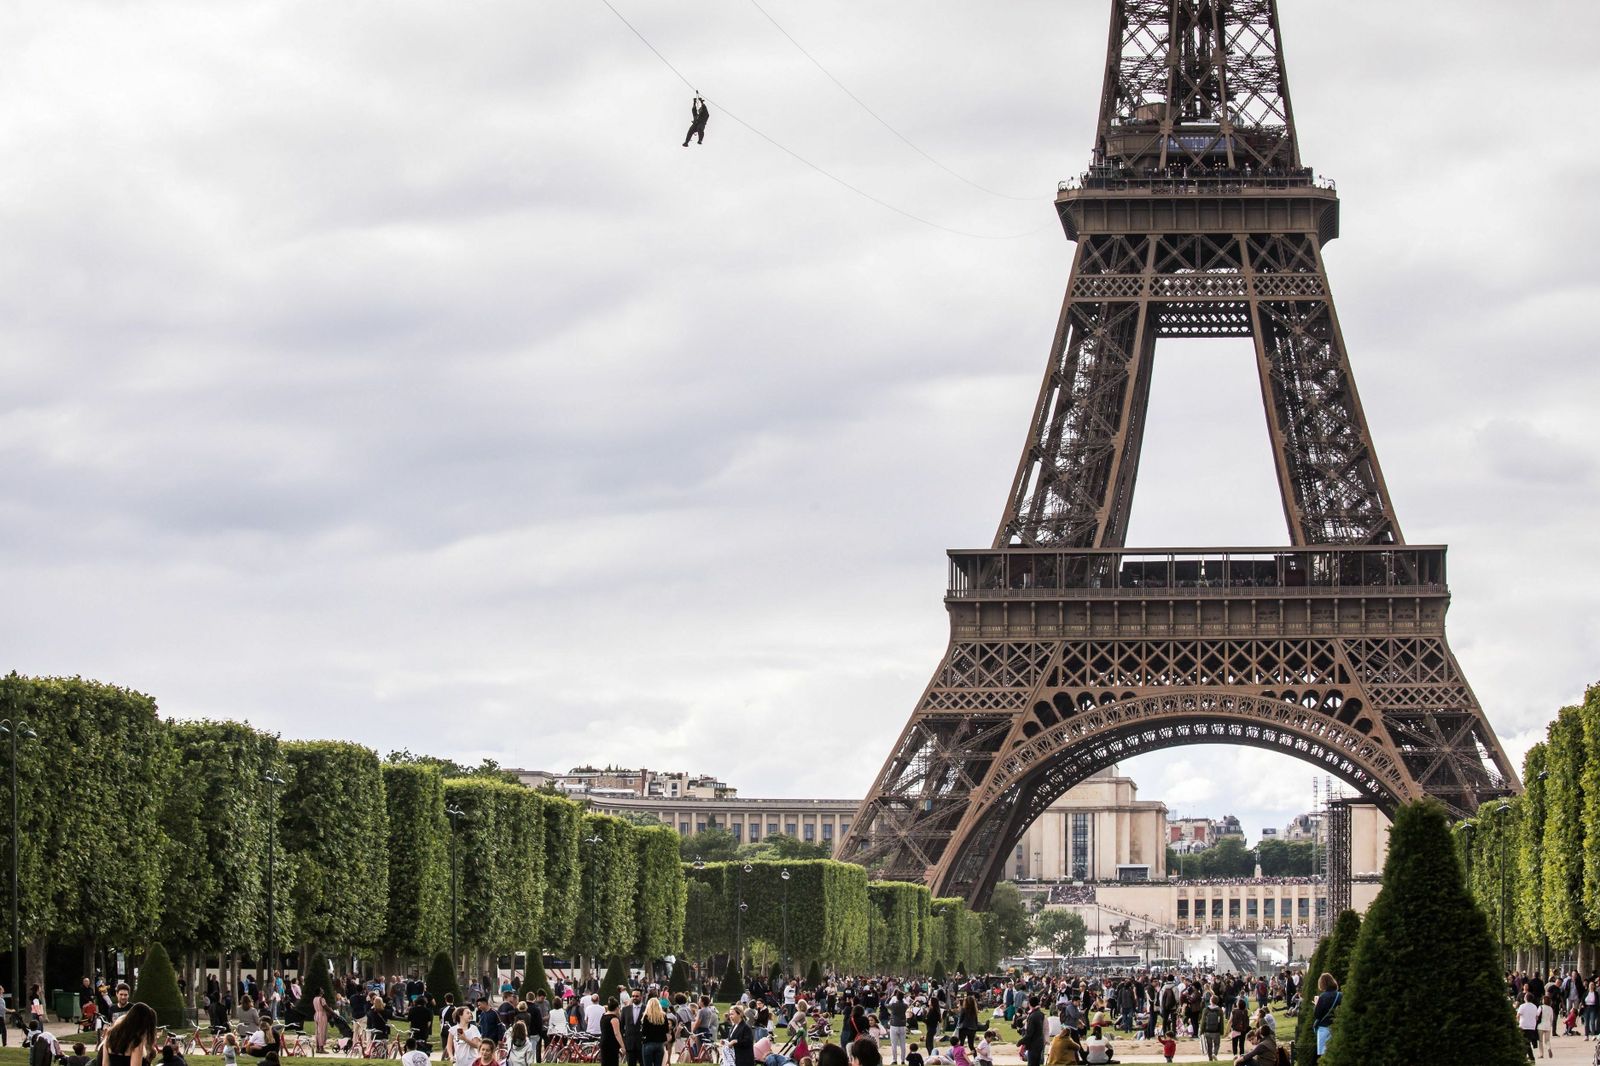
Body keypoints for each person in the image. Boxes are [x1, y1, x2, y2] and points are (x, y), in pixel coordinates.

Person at [1310, 975, 1340, 1064]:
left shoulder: (1323, 996)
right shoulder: (1340, 995)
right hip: (1337, 1026)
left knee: (1322, 1055)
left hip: (1324, 1028)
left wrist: (1316, 1005)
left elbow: (1317, 1015)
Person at [640, 999, 672, 1066]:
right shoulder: (663, 1016)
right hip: (660, 1044)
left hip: (648, 1042)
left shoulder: (646, 1016)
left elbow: (644, 1032)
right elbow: (666, 1030)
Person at [1020, 996, 1045, 1066]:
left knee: (1032, 1063)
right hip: (1040, 1042)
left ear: (1030, 1004)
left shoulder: (1032, 1016)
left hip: (1033, 1044)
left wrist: (1021, 1042)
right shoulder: (1040, 1014)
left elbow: (1029, 1033)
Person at [601, 998, 625, 1066]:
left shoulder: (603, 1016)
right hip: (611, 1044)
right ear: (617, 1008)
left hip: (604, 1042)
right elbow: (617, 1033)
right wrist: (623, 1046)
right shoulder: (614, 1018)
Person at [1199, 995, 1223, 1062]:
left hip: (1207, 1030)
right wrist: (1221, 1031)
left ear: (1210, 1000)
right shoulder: (1219, 1010)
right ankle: (1214, 1054)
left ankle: (1210, 1059)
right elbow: (1221, 1022)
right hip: (1216, 1031)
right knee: (1217, 1044)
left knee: (1209, 1046)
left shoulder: (1206, 1009)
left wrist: (1201, 1031)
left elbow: (1203, 1021)